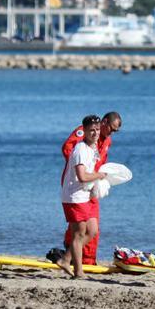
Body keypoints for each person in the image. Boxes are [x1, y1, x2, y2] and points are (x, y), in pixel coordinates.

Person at [59, 111, 121, 265]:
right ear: (104, 122)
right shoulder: (85, 132)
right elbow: (68, 149)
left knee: (92, 226)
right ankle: (75, 256)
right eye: (111, 129)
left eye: (115, 131)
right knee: (79, 224)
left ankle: (82, 258)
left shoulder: (107, 141)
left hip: (93, 183)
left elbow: (101, 162)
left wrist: (100, 179)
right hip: (79, 183)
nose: (112, 133)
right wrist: (83, 170)